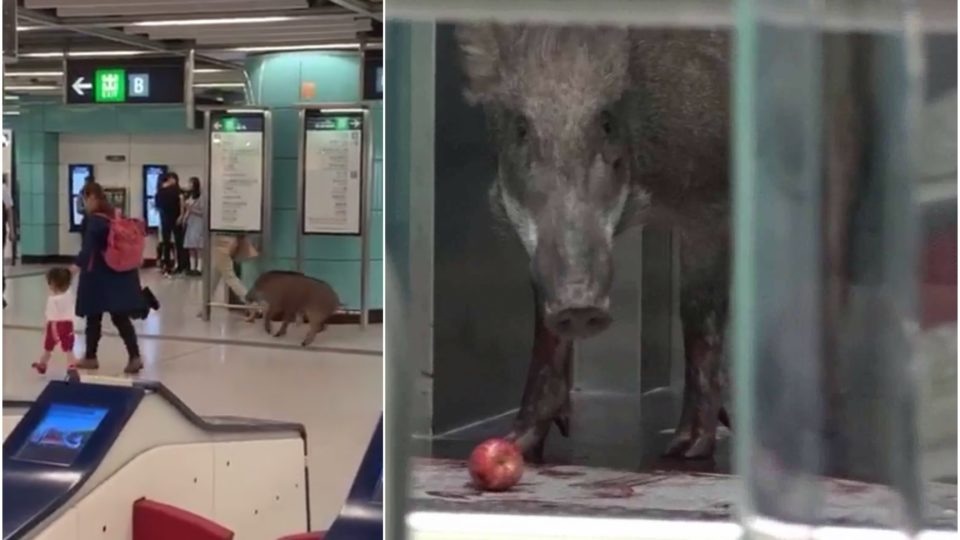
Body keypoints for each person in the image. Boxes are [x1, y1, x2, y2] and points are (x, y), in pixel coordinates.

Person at [74, 181, 145, 374]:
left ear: (92, 197)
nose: (83, 203)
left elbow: (88, 249)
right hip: (119, 274)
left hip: (97, 275)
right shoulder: (113, 215)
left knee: (93, 317)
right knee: (120, 317)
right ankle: (134, 356)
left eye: (84, 198)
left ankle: (90, 356)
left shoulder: (94, 220)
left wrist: (74, 267)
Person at [32, 267, 78, 374]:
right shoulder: (69, 294)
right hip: (68, 324)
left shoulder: (52, 300)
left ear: (52, 284)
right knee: (68, 348)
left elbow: (50, 315)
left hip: (54, 325)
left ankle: (43, 364)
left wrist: (45, 327)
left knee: (48, 347)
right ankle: (71, 366)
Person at [155, 172, 183, 276]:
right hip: (176, 218)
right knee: (178, 242)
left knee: (165, 243)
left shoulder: (159, 192)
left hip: (164, 218)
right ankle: (180, 265)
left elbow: (158, 207)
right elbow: (181, 204)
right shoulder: (177, 191)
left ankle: (167, 265)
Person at [181, 177, 205, 276]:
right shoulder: (189, 197)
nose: (189, 185)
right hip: (190, 222)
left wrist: (191, 209)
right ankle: (192, 267)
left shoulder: (201, 198)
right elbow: (187, 210)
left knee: (198, 246)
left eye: (190, 183)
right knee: (190, 246)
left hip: (198, 222)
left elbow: (203, 212)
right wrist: (185, 218)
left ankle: (199, 268)